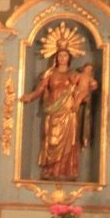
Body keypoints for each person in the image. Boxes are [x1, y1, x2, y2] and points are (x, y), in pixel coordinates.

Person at [21, 46, 85, 179]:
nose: (62, 58)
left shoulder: (74, 74)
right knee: (51, 140)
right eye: (60, 55)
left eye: (65, 56)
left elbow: (83, 90)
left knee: (68, 141)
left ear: (69, 58)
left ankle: (65, 171)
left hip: (68, 111)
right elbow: (40, 89)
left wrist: (77, 100)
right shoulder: (50, 73)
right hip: (53, 110)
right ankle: (50, 171)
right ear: (56, 57)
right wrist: (30, 96)